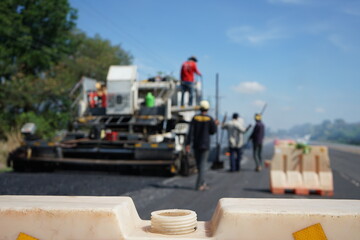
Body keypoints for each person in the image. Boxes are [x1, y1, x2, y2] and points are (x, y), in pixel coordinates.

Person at [185, 100, 218, 191]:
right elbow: (213, 132)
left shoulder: (195, 118)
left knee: (199, 165)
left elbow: (190, 132)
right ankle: (198, 185)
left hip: (196, 145)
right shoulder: (210, 119)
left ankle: (202, 182)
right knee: (202, 165)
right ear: (207, 109)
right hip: (205, 145)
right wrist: (215, 124)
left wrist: (187, 144)